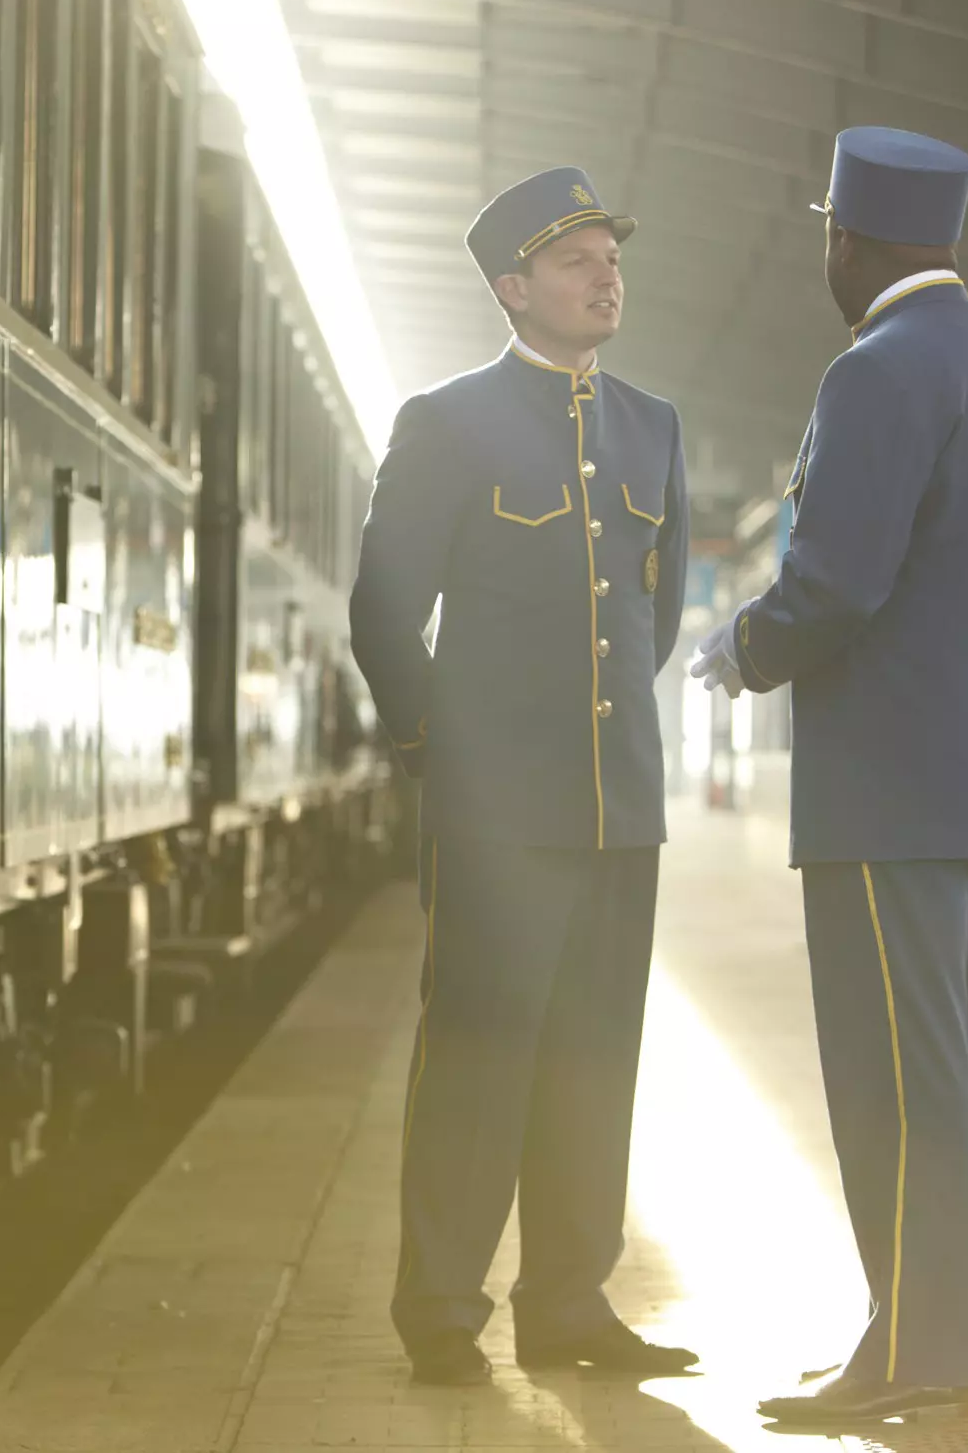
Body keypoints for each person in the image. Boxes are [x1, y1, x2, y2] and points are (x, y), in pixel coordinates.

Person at [691, 128, 968, 1424]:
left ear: (848, 239)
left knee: (890, 1078)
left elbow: (834, 584)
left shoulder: (877, 371)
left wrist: (739, 646)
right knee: (951, 1070)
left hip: (882, 789)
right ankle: (924, 1342)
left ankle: (910, 1360)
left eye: (827, 238)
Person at [349, 168, 694, 1385]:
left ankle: (567, 1305)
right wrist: (445, 759)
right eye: (574, 261)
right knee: (479, 1060)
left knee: (597, 1060)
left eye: (610, 254)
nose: (605, 275)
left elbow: (657, 614)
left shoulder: (653, 424)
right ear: (511, 289)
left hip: (618, 812)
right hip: (495, 817)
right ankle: (441, 1309)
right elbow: (385, 612)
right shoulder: (446, 422)